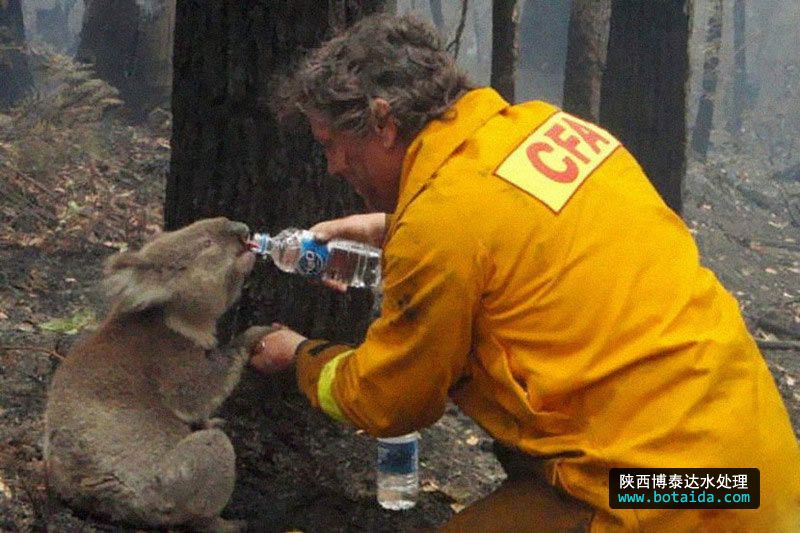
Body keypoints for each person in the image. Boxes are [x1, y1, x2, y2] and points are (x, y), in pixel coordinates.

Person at [250, 13, 800, 532]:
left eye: (333, 146)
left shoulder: (444, 225)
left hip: (662, 493)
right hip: (750, 472)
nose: (332, 167)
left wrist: (300, 355)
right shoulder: (545, 128)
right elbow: (511, 234)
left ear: (383, 123)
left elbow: (389, 400)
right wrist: (389, 227)